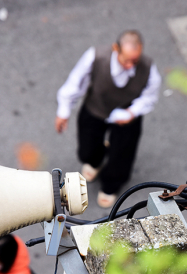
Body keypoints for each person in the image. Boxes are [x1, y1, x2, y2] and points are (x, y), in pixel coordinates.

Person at [55, 30, 162, 208]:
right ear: (115, 49)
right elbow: (76, 81)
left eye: (134, 60)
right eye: (126, 60)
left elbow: (150, 96)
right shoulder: (96, 57)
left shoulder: (148, 68)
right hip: (96, 107)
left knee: (123, 154)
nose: (130, 66)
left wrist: (132, 113)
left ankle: (111, 185)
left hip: (127, 115)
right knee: (86, 151)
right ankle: (96, 158)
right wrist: (64, 110)